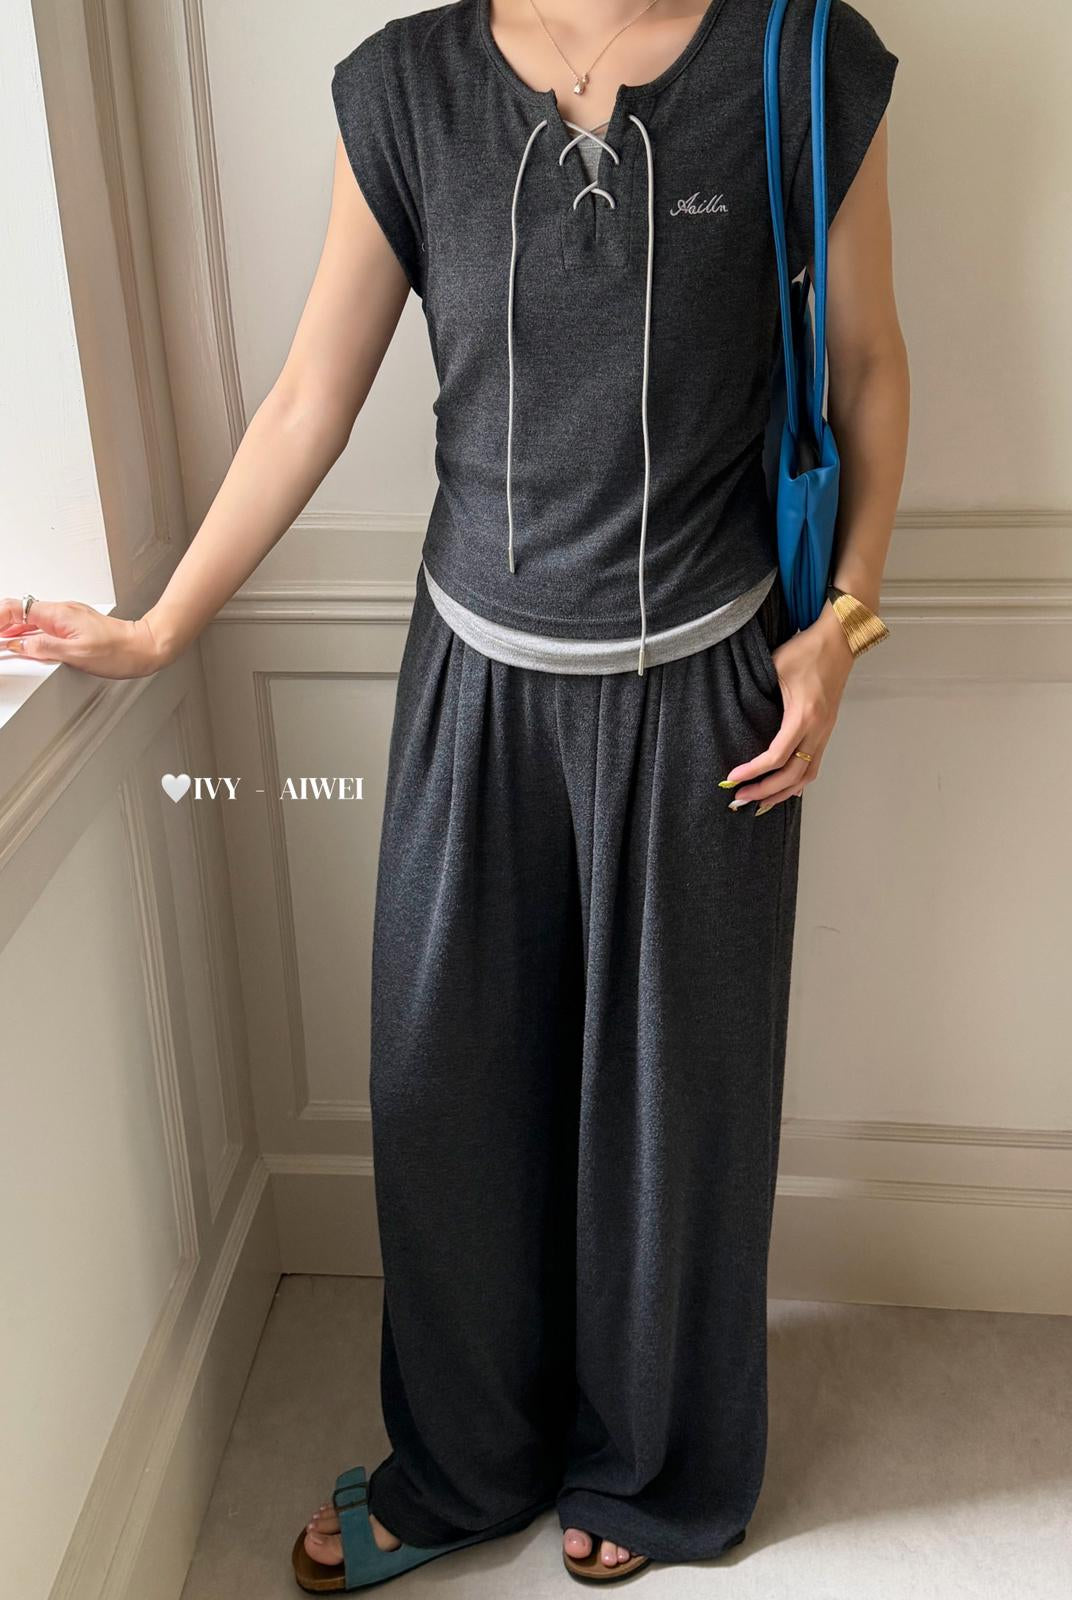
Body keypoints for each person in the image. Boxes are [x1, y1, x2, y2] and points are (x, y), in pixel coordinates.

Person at [0, 0, 908, 1587]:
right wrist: (159, 628)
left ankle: (652, 1470)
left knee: (677, 1120)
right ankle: (466, 1462)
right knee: (446, 1095)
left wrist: (845, 622)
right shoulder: (407, 88)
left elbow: (873, 367)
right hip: (474, 691)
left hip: (709, 695)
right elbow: (311, 396)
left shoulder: (801, 55)